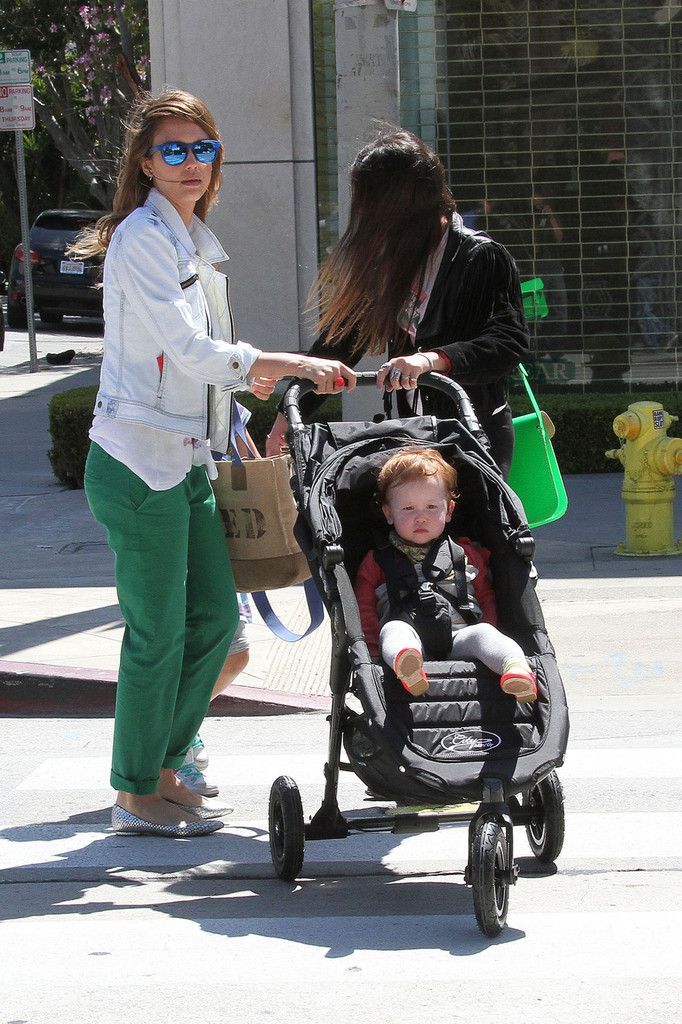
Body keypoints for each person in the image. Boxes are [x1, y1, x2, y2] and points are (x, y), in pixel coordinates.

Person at [73, 89, 355, 838]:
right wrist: (281, 362)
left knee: (212, 625)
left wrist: (242, 394)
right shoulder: (142, 238)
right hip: (137, 464)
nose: (190, 162)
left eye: (202, 148)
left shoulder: (193, 239)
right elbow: (189, 349)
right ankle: (135, 789)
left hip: (187, 461)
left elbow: (195, 365)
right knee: (158, 634)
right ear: (145, 162)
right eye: (172, 149)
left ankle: (166, 767)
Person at [266, 127, 530, 478]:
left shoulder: (479, 256)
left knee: (458, 514)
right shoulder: (392, 259)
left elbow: (506, 342)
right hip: (411, 432)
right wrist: (287, 416)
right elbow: (342, 342)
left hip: (471, 434)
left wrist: (429, 360)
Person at [354, 449, 537, 703]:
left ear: (449, 510)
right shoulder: (377, 561)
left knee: (485, 634)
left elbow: (485, 597)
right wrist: (373, 655)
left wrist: (487, 627)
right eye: (408, 508)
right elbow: (364, 611)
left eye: (431, 507)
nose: (420, 517)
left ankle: (515, 668)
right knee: (393, 630)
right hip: (410, 635)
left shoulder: (465, 553)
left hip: (460, 638)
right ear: (388, 513)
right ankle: (408, 666)